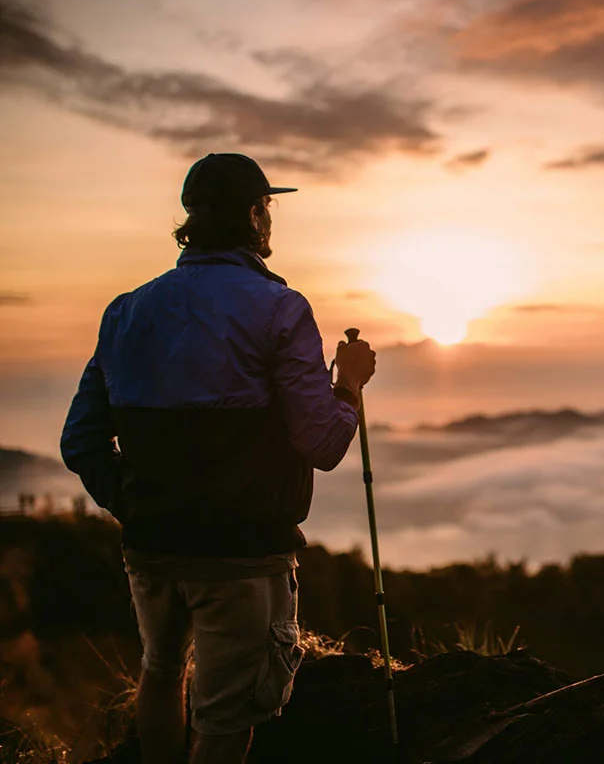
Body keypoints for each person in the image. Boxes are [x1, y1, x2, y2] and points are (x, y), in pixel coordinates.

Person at [60, 153, 376, 764]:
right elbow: (324, 445)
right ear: (256, 216)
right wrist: (350, 386)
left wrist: (133, 505)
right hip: (242, 556)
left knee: (159, 673)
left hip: (151, 546)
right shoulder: (280, 309)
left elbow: (81, 440)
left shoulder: (127, 310)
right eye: (268, 209)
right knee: (228, 716)